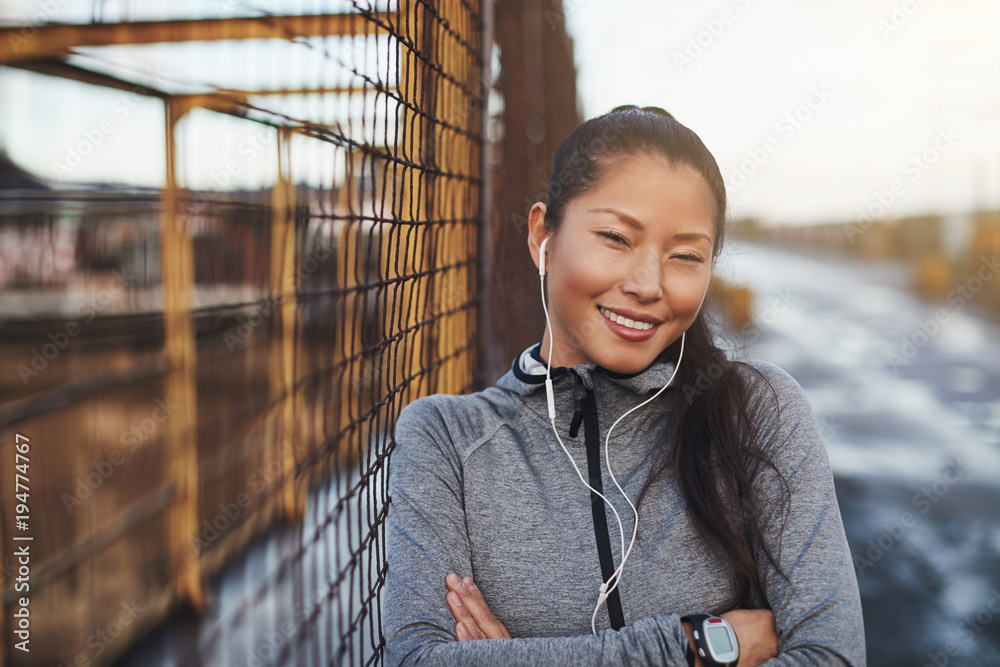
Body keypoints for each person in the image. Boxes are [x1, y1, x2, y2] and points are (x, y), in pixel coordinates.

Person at [383, 105, 865, 666]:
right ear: (543, 234)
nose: (647, 284)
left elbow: (832, 658)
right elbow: (415, 661)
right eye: (615, 237)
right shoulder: (446, 439)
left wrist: (522, 659)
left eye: (686, 256)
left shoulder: (756, 410)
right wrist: (697, 646)